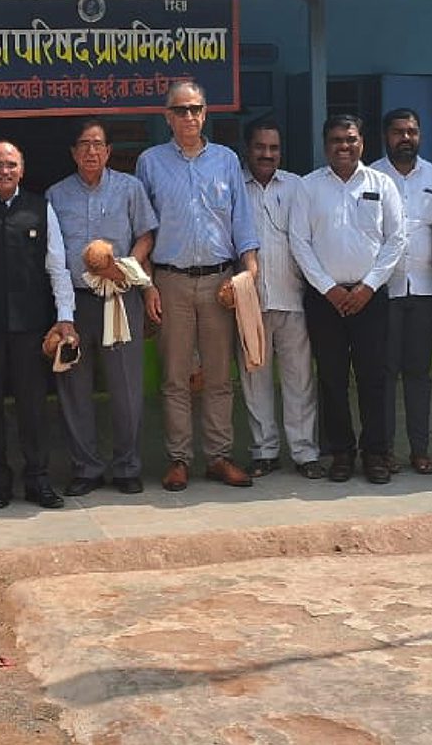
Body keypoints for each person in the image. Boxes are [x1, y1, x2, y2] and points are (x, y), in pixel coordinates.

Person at [135, 81, 262, 491]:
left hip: (219, 283)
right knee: (175, 376)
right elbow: (144, 230)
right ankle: (179, 459)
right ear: (167, 117)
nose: (188, 116)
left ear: (205, 113)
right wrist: (148, 287)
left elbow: (242, 223)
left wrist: (250, 274)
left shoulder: (226, 160)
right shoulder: (150, 162)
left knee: (219, 376)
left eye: (195, 109)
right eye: (180, 110)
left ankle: (219, 457)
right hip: (169, 281)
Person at [289, 114, 406, 484]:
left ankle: (375, 453)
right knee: (332, 379)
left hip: (370, 298)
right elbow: (299, 242)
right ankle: (341, 452)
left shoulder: (382, 184)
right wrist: (329, 288)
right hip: (325, 300)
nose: (344, 146)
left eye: (350, 139)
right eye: (337, 140)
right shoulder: (308, 187)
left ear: (362, 143)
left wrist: (368, 287)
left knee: (374, 378)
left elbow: (396, 239)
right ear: (326, 145)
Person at [47, 117, 157, 497]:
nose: (91, 151)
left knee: (126, 388)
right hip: (75, 302)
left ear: (109, 151)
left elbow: (146, 235)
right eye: (84, 144)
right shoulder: (56, 195)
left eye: (98, 144)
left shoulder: (130, 188)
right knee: (74, 388)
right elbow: (52, 252)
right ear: (73, 152)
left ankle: (127, 466)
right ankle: (86, 468)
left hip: (120, 299)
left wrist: (126, 268)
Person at [0, 141, 69, 509]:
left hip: (32, 326)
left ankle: (38, 479)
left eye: (11, 165)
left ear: (22, 169)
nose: (4, 171)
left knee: (33, 406)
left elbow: (57, 267)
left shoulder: (40, 207)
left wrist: (65, 317)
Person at [238, 120, 322, 480]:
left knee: (299, 379)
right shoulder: (234, 187)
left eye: (273, 148)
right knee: (254, 380)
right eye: (260, 147)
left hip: (293, 297)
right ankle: (264, 451)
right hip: (249, 302)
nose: (267, 154)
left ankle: (304, 452)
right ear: (248, 149)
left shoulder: (297, 187)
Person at [375, 107, 432, 476]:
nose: (406, 138)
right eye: (398, 131)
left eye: (412, 131)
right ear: (385, 136)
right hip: (383, 291)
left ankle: (420, 450)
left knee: (419, 373)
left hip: (425, 290)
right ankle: (384, 450)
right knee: (384, 373)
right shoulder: (370, 176)